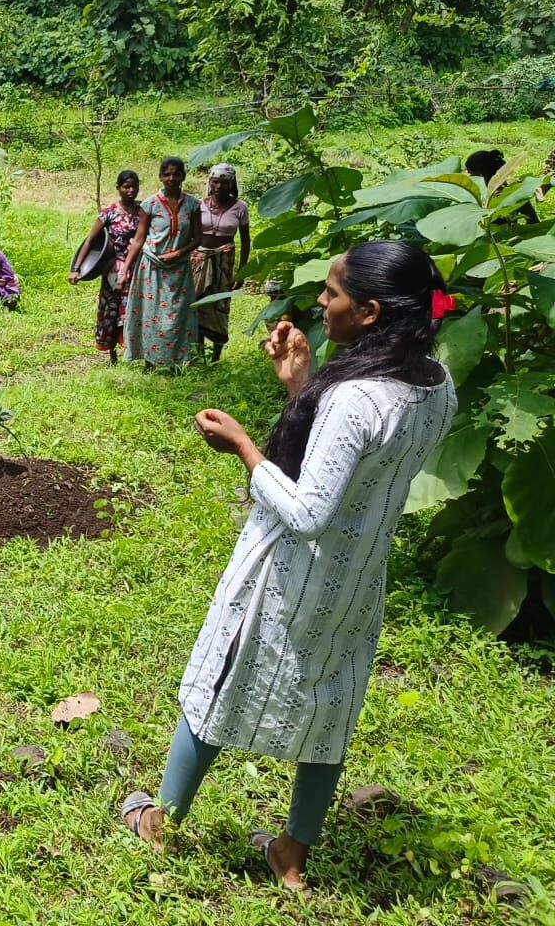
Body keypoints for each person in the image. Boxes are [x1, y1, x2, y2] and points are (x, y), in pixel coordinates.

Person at [120, 240, 457, 890]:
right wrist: (301, 386)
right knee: (331, 708)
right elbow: (359, 469)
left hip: (290, 578)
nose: (321, 303)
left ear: (369, 311)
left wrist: (245, 448)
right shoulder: (435, 386)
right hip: (357, 582)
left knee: (220, 680)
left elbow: (307, 512)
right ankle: (292, 855)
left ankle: (159, 822)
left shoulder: (357, 398)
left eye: (332, 293)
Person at [123, 156, 202, 369]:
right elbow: (139, 239)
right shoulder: (150, 204)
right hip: (151, 266)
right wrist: (125, 269)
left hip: (180, 268)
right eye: (167, 174)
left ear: (183, 176)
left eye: (176, 174)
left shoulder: (193, 204)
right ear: (160, 177)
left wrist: (178, 253)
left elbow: (198, 238)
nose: (171, 178)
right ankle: (149, 360)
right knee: (151, 314)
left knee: (179, 315)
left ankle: (179, 361)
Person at [70, 169, 141, 362]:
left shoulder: (143, 211)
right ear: (118, 188)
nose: (131, 190)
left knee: (133, 309)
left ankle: (133, 351)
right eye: (126, 186)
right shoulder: (109, 213)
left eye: (134, 186)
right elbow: (90, 241)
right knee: (111, 308)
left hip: (138, 267)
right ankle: (112, 352)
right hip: (113, 269)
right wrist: (76, 269)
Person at [192, 162, 251, 362]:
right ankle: (199, 353)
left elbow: (245, 240)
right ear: (210, 183)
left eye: (224, 183)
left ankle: (216, 354)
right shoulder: (198, 204)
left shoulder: (240, 207)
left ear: (231, 184)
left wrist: (242, 271)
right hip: (199, 261)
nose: (218, 187)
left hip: (224, 262)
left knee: (220, 304)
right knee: (197, 304)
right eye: (215, 182)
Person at [465, 149, 538, 224]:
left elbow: (534, 222)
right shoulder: (516, 192)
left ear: (481, 175)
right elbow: (534, 222)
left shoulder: (515, 193)